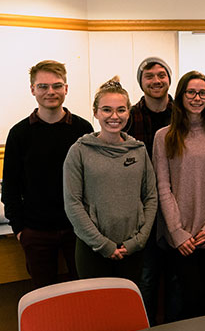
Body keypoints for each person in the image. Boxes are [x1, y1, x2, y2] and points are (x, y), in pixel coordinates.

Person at [1, 60, 93, 289]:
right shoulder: (19, 134)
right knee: (45, 296)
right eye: (43, 86)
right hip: (36, 232)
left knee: (84, 291)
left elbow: (92, 181)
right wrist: (20, 229)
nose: (50, 92)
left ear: (66, 88)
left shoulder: (83, 130)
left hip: (78, 230)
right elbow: (10, 187)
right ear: (32, 89)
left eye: (57, 85)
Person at [63, 78, 157, 282]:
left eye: (121, 110)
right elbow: (73, 203)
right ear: (96, 112)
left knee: (127, 307)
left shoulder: (139, 150)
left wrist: (138, 241)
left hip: (132, 249)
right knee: (95, 310)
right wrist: (103, 245)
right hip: (92, 250)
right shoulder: (79, 151)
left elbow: (150, 197)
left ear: (128, 113)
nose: (114, 116)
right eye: (107, 110)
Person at [153, 71, 205, 318]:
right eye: (191, 92)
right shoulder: (163, 136)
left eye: (202, 93)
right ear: (181, 96)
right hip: (181, 238)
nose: (197, 98)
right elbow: (163, 187)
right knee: (184, 306)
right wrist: (177, 232)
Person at [127, 56, 179, 325]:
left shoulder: (183, 114)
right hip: (142, 212)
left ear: (169, 79)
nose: (156, 81)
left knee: (176, 277)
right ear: (141, 82)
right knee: (146, 278)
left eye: (161, 75)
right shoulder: (129, 117)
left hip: (177, 208)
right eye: (149, 76)